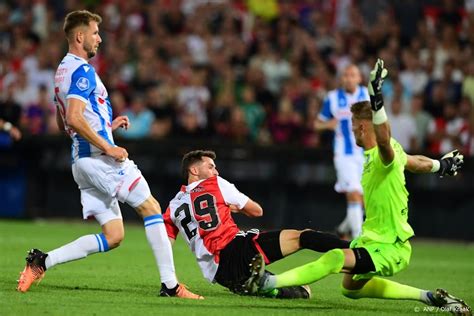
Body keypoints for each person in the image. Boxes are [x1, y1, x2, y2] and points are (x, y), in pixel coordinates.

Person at [245, 59, 471, 315]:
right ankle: (429, 297)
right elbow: (414, 162)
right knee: (350, 288)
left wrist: (376, 98)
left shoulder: (381, 155)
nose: (352, 131)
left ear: (363, 128)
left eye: (353, 127)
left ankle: (266, 282)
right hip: (372, 240)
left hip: (390, 246)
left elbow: (384, 139)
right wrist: (440, 166)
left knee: (335, 258)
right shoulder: (391, 151)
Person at [16, 10, 202, 299]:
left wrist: (106, 127)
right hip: (100, 159)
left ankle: (42, 261)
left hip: (82, 161)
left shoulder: (62, 71)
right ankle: (170, 285)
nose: (99, 39)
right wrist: (107, 145)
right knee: (152, 208)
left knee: (114, 236)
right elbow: (75, 119)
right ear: (80, 36)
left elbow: (63, 122)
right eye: (94, 33)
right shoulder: (82, 71)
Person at [163, 150, 351, 298]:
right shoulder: (216, 184)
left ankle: (264, 286)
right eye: (211, 166)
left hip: (219, 275)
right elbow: (256, 210)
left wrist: (171, 280)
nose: (216, 171)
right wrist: (233, 207)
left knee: (298, 290)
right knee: (304, 236)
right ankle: (356, 249)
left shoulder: (174, 205)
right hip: (236, 249)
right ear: (194, 170)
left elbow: (165, 243)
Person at [314, 64, 369, 239]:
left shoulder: (367, 95)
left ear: (359, 78)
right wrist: (327, 125)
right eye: (346, 75)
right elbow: (317, 124)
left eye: (353, 75)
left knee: (365, 201)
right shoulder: (333, 98)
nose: (348, 78)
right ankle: (359, 239)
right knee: (353, 193)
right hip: (344, 155)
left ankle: (343, 229)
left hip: (365, 153)